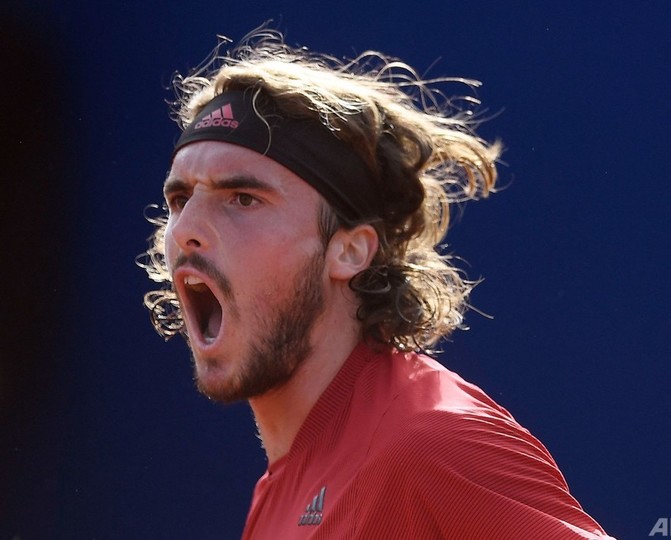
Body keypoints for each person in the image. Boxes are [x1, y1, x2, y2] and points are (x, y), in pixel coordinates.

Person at [141, 27, 613, 539]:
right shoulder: (277, 493)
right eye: (180, 200)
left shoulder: (432, 443)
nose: (184, 230)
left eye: (243, 199)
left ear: (348, 250)